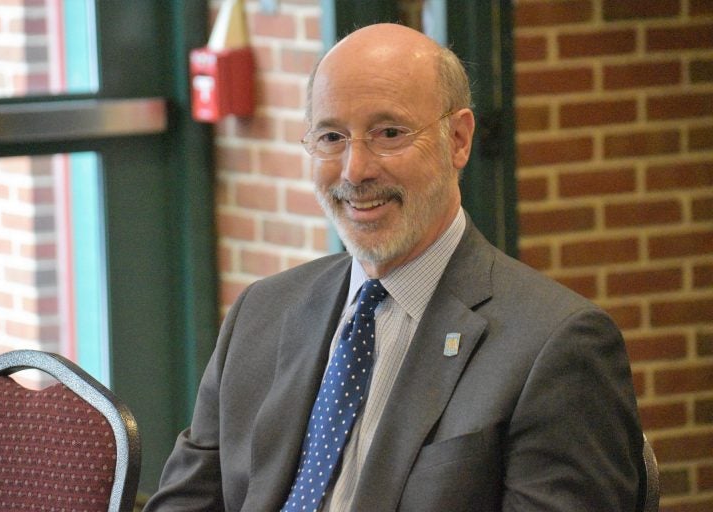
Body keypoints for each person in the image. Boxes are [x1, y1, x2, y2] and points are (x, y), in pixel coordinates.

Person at [144, 23, 644, 511]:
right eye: (332, 137)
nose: (355, 170)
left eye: (389, 133)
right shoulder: (262, 312)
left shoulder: (555, 346)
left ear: (458, 140)